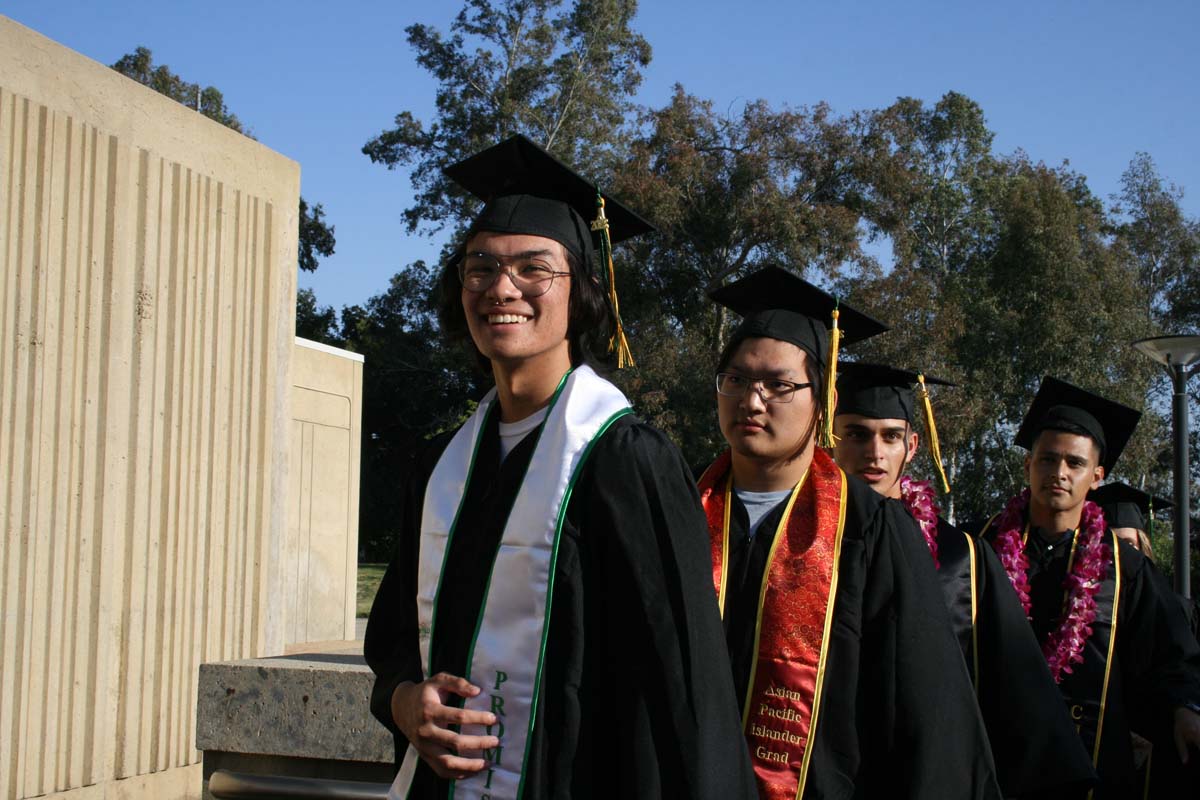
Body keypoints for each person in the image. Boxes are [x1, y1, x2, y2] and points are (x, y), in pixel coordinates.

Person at [364, 135, 756, 800]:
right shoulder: (442, 468)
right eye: (480, 267)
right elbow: (398, 634)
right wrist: (403, 701)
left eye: (533, 269)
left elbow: (682, 692)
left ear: (580, 293)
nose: (501, 288)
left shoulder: (627, 462)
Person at [697, 266, 1002, 799]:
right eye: (736, 380)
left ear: (824, 400)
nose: (751, 400)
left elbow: (924, 712)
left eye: (779, 385)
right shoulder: (681, 510)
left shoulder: (871, 529)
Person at [831, 362, 1097, 798]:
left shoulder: (963, 557)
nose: (875, 453)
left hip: (931, 773)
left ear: (913, 445)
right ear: (831, 436)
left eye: (891, 436)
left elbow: (1013, 686)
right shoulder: (803, 543)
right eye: (857, 434)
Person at [978, 376, 1200, 798]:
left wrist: (1184, 707)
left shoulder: (1127, 569)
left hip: (1090, 760)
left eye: (1074, 464)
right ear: (1028, 466)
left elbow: (1171, 654)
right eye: (1047, 460)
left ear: (1096, 476)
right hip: (992, 749)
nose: (1058, 473)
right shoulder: (978, 551)